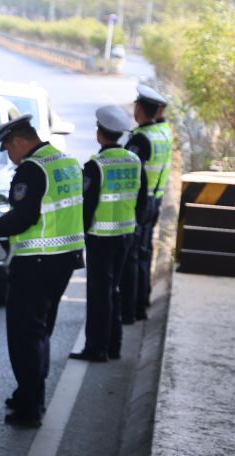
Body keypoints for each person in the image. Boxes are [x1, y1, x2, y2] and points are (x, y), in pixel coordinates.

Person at [0, 114, 85, 428]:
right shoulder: (66, 161)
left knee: (25, 336)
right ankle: (30, 394)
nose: (9, 156)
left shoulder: (32, 168)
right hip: (64, 259)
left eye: (7, 148)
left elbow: (25, 217)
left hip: (36, 262)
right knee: (40, 331)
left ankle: (30, 408)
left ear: (18, 141)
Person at [70, 106, 145, 362]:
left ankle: (97, 348)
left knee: (100, 294)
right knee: (114, 291)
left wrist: (80, 237)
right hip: (127, 235)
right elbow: (142, 199)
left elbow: (86, 206)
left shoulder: (96, 166)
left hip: (100, 239)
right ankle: (114, 346)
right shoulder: (134, 161)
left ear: (100, 134)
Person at [120, 83, 172, 324]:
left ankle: (129, 310)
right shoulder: (162, 134)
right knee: (143, 254)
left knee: (131, 257)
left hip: (139, 204)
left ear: (140, 109)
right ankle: (141, 304)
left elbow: (129, 173)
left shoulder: (141, 139)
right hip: (154, 199)